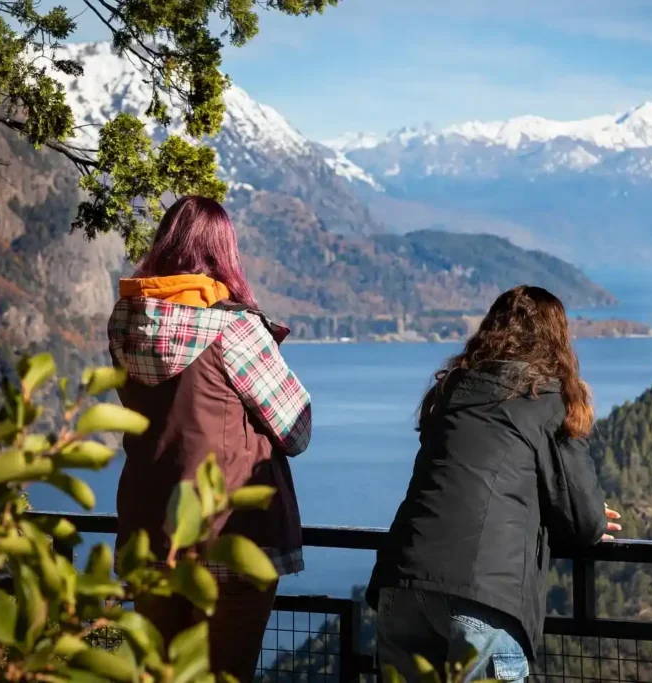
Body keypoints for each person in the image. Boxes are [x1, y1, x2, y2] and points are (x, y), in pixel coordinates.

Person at [366, 285, 620, 683]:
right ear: (557, 338)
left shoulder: (451, 391)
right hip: (482, 595)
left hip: (400, 581)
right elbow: (584, 523)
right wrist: (586, 517)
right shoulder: (549, 400)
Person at [107, 196, 311, 682]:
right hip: (229, 538)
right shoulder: (234, 328)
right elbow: (296, 429)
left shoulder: (125, 322)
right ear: (223, 252)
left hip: (150, 536)